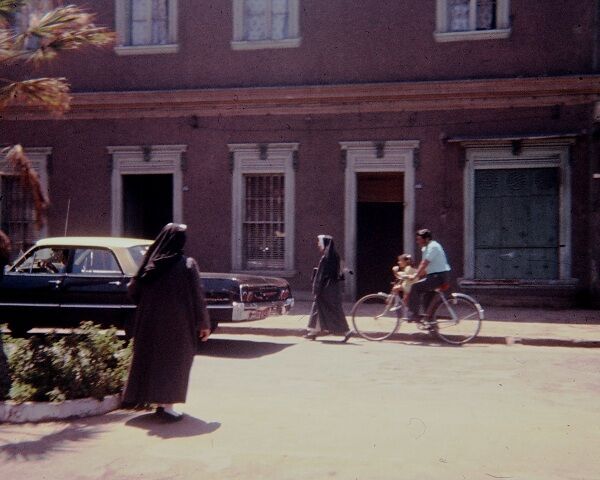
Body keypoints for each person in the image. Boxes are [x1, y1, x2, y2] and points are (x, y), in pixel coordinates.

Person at [122, 223, 211, 421]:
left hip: (149, 323)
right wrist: (203, 324)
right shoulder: (187, 264)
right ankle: (167, 407)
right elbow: (197, 296)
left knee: (153, 360)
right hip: (178, 324)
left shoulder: (150, 264)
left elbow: (133, 290)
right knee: (175, 362)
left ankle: (159, 405)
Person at [305, 234, 353, 342]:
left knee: (332, 310)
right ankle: (313, 331)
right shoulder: (335, 256)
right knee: (319, 307)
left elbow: (321, 275)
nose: (318, 244)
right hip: (334, 288)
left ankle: (346, 331)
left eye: (319, 242)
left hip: (325, 289)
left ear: (324, 243)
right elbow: (339, 273)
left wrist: (316, 288)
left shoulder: (325, 258)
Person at [406, 229, 451, 322]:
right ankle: (430, 322)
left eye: (419, 239)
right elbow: (426, 269)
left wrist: (415, 275)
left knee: (415, 287)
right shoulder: (426, 248)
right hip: (435, 276)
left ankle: (414, 314)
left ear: (426, 239)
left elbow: (424, 263)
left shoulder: (433, 246)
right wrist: (413, 276)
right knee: (427, 296)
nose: (417, 242)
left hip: (439, 276)